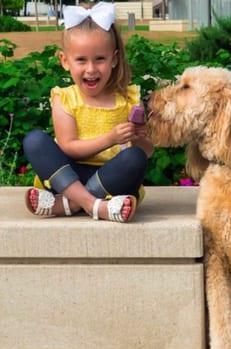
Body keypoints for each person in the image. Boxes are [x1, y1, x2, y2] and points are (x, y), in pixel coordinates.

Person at [23, 2, 153, 222]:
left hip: (110, 177)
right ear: (64, 61)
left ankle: (67, 205)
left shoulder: (128, 99)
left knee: (135, 159)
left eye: (100, 59)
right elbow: (69, 147)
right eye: (81, 60)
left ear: (114, 59)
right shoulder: (64, 98)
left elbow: (148, 151)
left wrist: (140, 139)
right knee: (34, 141)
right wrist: (110, 138)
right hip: (68, 174)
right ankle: (96, 206)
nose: (91, 69)